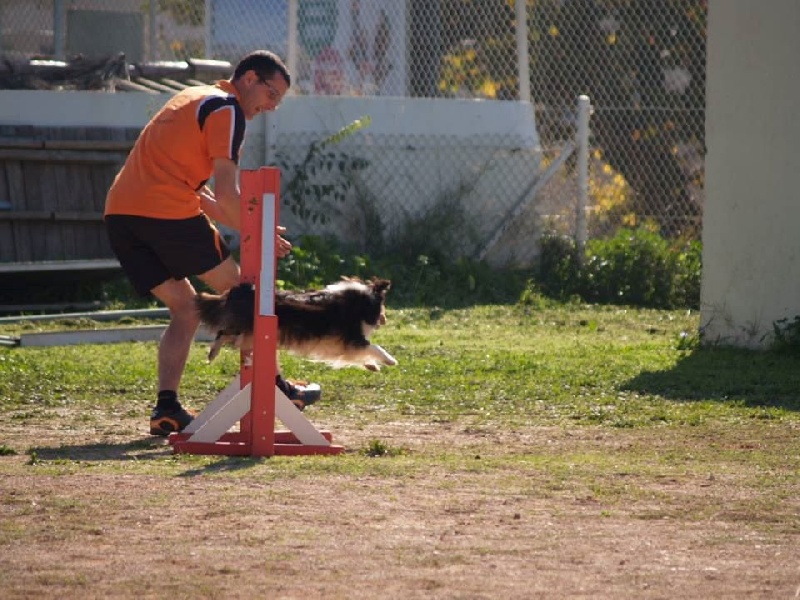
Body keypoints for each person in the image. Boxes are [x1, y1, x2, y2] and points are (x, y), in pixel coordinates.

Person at [104, 50, 320, 436]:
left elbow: (201, 195)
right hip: (165, 214)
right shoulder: (228, 110)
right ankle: (277, 390)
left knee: (187, 309)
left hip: (121, 216)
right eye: (272, 95)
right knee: (243, 297)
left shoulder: (194, 97)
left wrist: (257, 229)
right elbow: (227, 194)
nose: (271, 108)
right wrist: (261, 233)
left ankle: (166, 409)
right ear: (250, 79)